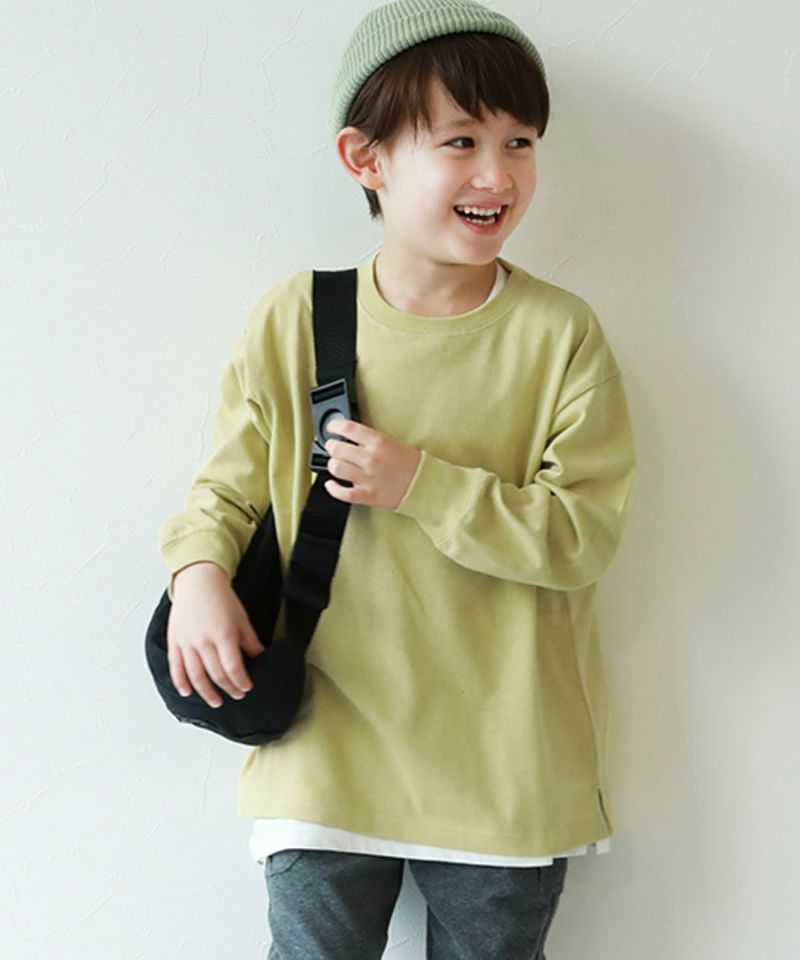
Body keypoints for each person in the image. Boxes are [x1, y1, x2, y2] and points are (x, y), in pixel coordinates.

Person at [157, 1, 637, 956]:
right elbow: (227, 492)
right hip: (325, 751)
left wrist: (422, 482)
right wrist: (197, 577)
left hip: (505, 769)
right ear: (365, 158)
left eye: (519, 142)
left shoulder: (560, 335)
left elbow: (583, 538)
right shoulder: (296, 318)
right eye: (460, 141)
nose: (497, 175)